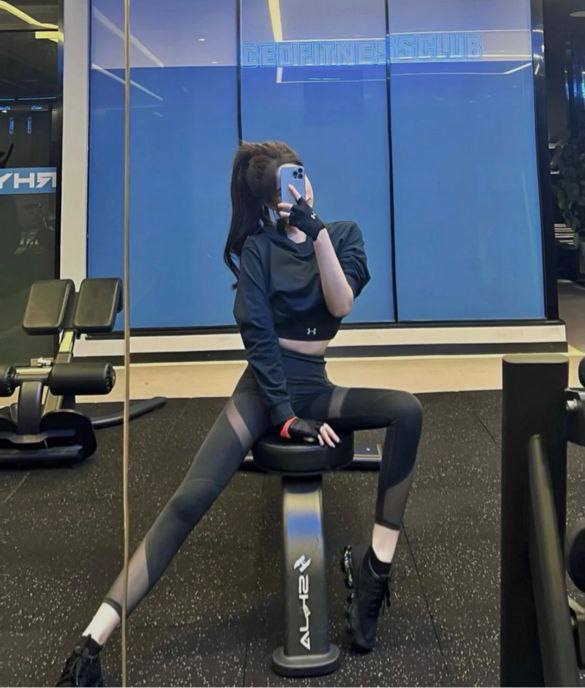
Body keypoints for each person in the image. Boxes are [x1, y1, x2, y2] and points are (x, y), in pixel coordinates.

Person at [56, 141, 423, 686]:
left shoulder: (342, 235)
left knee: (407, 411)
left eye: (302, 175)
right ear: (272, 201)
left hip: (317, 388)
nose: (300, 188)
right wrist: (283, 416)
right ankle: (91, 644)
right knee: (189, 499)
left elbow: (341, 302)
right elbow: (259, 340)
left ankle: (373, 577)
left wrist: (316, 233)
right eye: (287, 185)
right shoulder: (257, 250)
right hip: (262, 391)